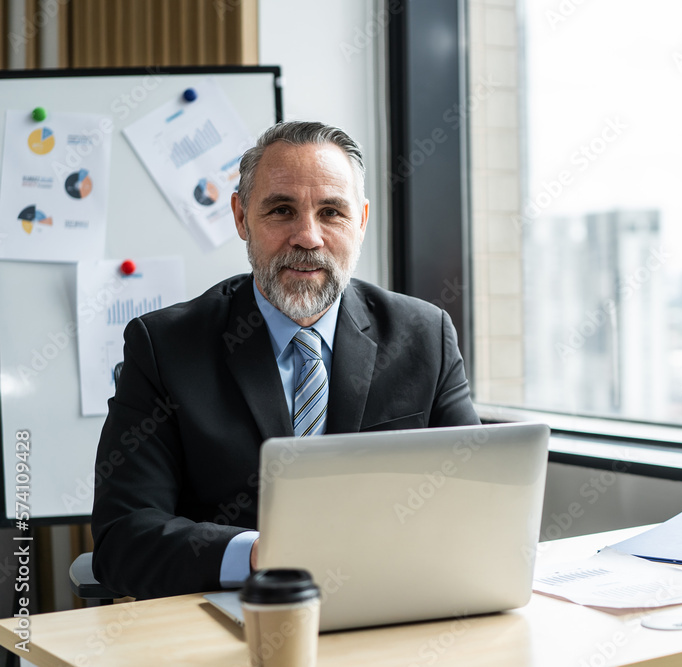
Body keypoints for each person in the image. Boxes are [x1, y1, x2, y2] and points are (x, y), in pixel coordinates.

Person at [91, 121, 479, 599]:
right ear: (240, 217)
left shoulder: (425, 336)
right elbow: (123, 539)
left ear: (361, 220)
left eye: (332, 212)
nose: (308, 237)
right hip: (233, 619)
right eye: (281, 210)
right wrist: (265, 553)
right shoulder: (164, 346)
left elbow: (477, 503)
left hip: (388, 606)